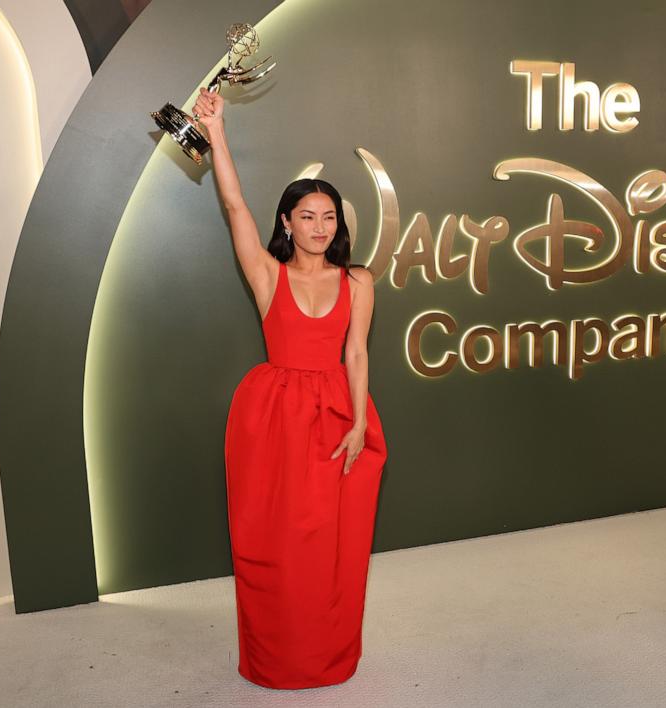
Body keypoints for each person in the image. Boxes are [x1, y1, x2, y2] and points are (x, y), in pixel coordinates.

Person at [193, 86, 388, 689]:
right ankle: (276, 655)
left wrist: (358, 423)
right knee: (273, 542)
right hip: (273, 417)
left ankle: (329, 654)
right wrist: (217, 135)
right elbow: (232, 206)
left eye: (329, 217)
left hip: (337, 414)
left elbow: (356, 354)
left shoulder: (358, 281)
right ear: (287, 222)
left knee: (333, 548)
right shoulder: (266, 273)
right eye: (307, 216)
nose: (320, 226)